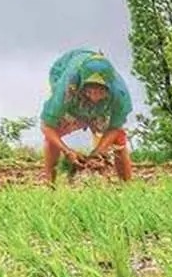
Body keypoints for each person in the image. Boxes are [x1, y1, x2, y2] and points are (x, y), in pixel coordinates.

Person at [39, 48, 134, 183]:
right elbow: (46, 126)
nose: (95, 96)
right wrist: (67, 151)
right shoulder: (67, 88)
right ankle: (50, 185)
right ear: (82, 84)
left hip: (102, 110)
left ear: (109, 87)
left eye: (100, 90)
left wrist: (98, 152)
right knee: (53, 134)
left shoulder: (120, 94)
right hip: (73, 103)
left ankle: (128, 186)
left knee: (119, 138)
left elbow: (115, 126)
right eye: (91, 89)